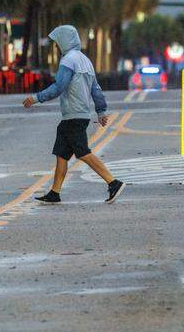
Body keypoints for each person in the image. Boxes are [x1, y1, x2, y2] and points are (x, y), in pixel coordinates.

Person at [23, 25, 125, 204]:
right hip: (77, 115)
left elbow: (59, 86)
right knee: (62, 153)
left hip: (74, 115)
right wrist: (101, 110)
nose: (56, 46)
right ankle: (55, 192)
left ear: (64, 40)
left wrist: (36, 98)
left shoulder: (68, 60)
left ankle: (113, 182)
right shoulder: (85, 60)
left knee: (83, 153)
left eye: (56, 42)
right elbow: (96, 89)